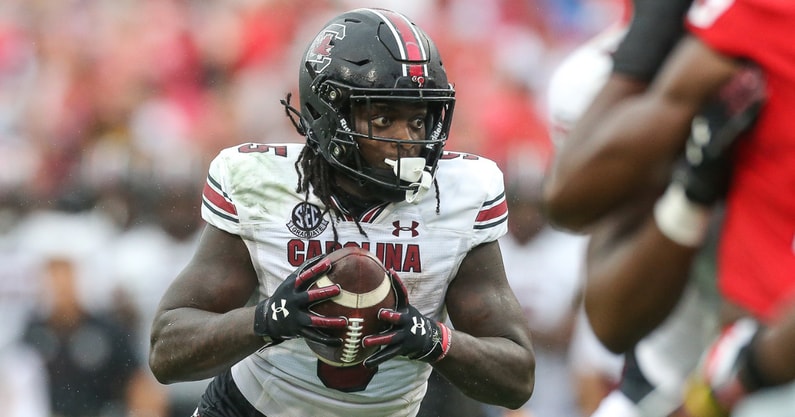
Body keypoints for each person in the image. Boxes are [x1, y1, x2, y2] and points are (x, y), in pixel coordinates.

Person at [148, 8, 535, 417]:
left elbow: (517, 378)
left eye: (418, 120)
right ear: (329, 114)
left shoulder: (458, 196)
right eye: (384, 118)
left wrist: (432, 338)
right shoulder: (263, 184)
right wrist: (266, 320)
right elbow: (167, 351)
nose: (408, 141)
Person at [544, 0, 795, 416]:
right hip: (675, 380)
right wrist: (693, 191)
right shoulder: (609, 84)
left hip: (755, 360)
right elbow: (611, 322)